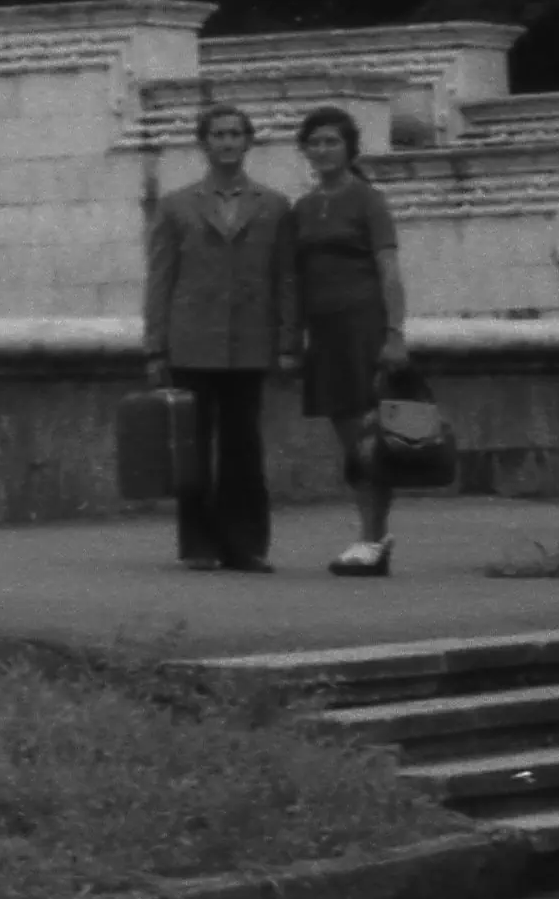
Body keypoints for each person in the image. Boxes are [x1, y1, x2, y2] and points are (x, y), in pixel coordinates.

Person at [141, 102, 295, 570]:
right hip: (193, 340)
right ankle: (199, 544)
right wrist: (155, 345)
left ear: (249, 142)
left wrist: (288, 343)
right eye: (218, 134)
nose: (227, 142)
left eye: (235, 134)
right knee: (193, 447)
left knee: (244, 447)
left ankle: (246, 544)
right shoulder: (176, 206)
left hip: (249, 342)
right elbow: (161, 278)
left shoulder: (273, 206)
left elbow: (285, 278)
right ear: (203, 144)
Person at [292, 106, 412, 576]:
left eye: (331, 142)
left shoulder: (367, 200)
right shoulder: (302, 207)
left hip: (363, 326)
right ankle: (372, 535)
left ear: (349, 149)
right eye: (315, 142)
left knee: (370, 438)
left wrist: (395, 334)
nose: (322, 151)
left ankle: (372, 536)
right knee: (349, 439)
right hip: (324, 333)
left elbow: (388, 271)